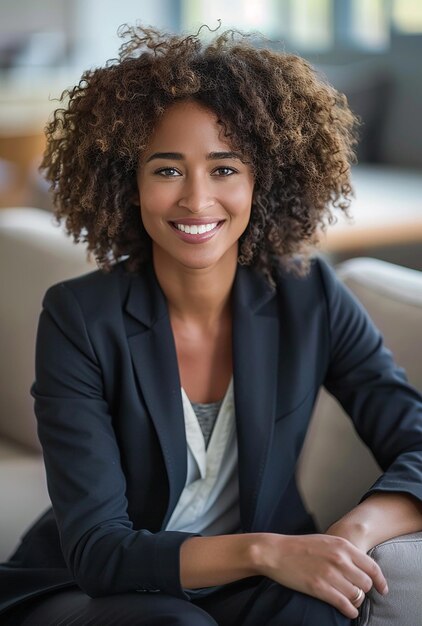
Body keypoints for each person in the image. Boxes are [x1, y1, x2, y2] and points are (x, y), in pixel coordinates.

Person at [1, 24, 422, 626]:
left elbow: (415, 437)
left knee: (321, 613)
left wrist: (355, 531)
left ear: (262, 179)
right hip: (93, 589)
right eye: (167, 170)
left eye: (225, 169)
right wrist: (264, 549)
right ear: (131, 183)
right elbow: (100, 552)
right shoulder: (79, 318)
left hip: (256, 581)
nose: (197, 201)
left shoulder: (310, 297)